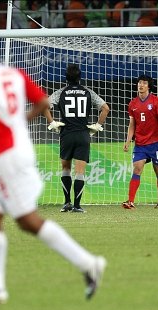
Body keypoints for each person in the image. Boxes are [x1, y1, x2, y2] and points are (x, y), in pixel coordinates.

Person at [0, 28, 106, 308]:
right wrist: (19, 120)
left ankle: (89, 263)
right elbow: (40, 103)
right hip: (17, 149)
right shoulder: (13, 73)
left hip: (6, 155)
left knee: (28, 221)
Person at [44, 64, 110, 213]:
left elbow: (44, 106)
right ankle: (77, 206)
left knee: (65, 168)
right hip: (82, 133)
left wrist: (53, 123)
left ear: (66, 78)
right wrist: (98, 125)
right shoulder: (88, 92)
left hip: (66, 133)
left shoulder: (61, 92)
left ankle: (66, 203)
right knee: (79, 172)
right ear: (80, 78)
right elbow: (105, 108)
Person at [122, 75, 158, 209]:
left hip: (156, 142)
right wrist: (128, 141)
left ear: (148, 86)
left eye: (144, 83)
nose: (141, 85)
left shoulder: (156, 101)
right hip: (140, 143)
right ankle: (130, 201)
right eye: (139, 82)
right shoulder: (132, 104)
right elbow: (132, 125)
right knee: (137, 169)